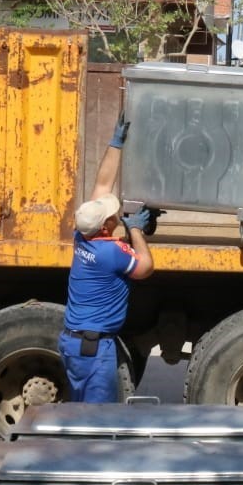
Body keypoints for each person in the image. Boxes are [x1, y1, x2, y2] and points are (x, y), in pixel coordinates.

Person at [61, 114, 155, 402]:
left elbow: (102, 185)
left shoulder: (82, 237)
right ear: (104, 226)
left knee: (80, 411)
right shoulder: (110, 253)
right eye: (113, 214)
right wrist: (136, 230)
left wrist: (116, 143)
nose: (115, 213)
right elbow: (145, 268)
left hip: (72, 343)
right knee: (96, 418)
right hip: (94, 348)